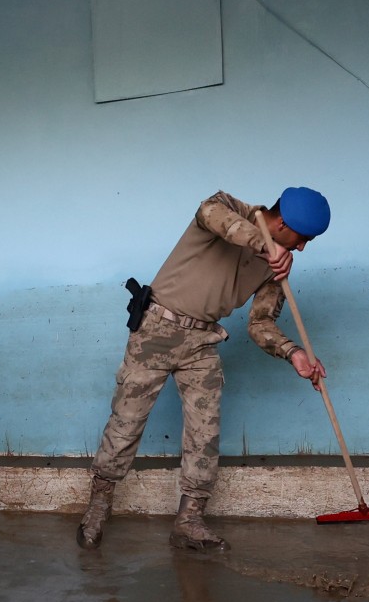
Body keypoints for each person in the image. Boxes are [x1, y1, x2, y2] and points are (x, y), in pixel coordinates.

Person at [77, 187, 331, 553]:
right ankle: (98, 507)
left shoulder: (278, 268)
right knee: (126, 423)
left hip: (202, 342)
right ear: (283, 223)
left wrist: (293, 354)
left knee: (204, 432)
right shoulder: (229, 207)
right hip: (156, 331)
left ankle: (189, 521)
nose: (303, 248)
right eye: (302, 239)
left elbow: (260, 325)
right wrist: (263, 244)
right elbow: (209, 214)